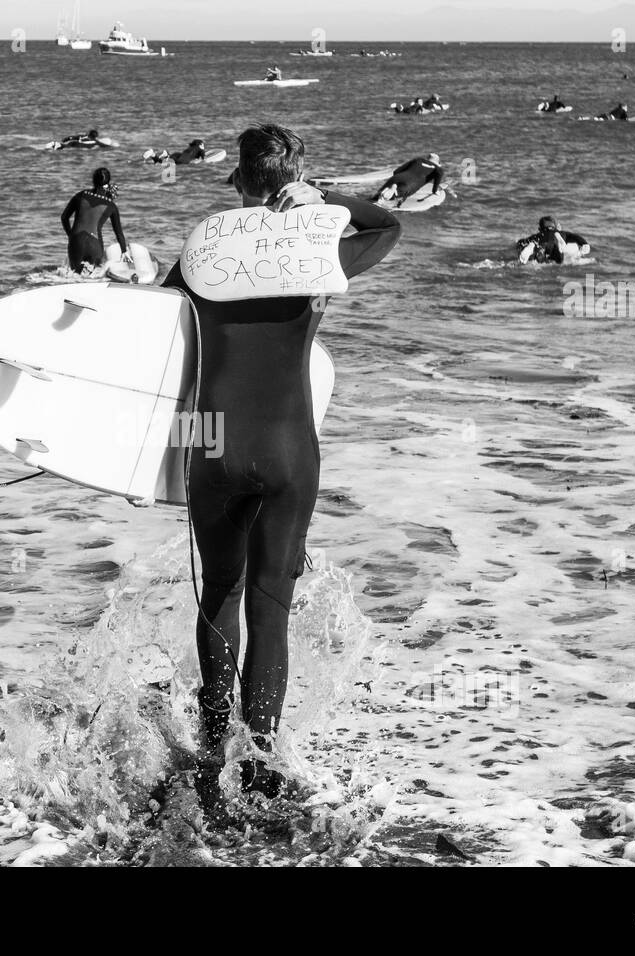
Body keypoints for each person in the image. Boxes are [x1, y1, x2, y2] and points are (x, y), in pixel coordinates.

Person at [160, 124, 401, 811]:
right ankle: (260, 762)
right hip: (290, 448)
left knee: (219, 596)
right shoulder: (317, 245)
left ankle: (212, 749)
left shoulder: (204, 248)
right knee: (271, 608)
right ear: (296, 178)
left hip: (211, 446)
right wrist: (323, 199)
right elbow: (386, 228)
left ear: (237, 179)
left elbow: (144, 332)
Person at [60, 167, 130, 276]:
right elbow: (119, 233)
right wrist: (124, 251)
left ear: (93, 181)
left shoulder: (81, 195)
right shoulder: (111, 205)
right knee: (92, 278)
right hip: (95, 245)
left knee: (74, 277)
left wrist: (71, 236)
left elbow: (64, 217)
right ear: (108, 183)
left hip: (76, 242)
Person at [516, 215, 590, 264]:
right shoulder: (563, 233)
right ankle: (560, 246)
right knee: (559, 261)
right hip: (557, 246)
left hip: (543, 245)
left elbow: (521, 242)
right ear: (557, 227)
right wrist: (584, 244)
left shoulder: (539, 235)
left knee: (538, 257)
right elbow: (576, 237)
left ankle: (531, 248)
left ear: (539, 229)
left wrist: (519, 246)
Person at [374, 153, 444, 203]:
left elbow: (396, 171)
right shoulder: (438, 169)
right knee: (391, 195)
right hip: (410, 184)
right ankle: (390, 192)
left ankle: (387, 191)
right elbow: (437, 179)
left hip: (396, 178)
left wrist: (397, 181)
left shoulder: (418, 160)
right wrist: (435, 191)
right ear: (438, 163)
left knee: (374, 198)